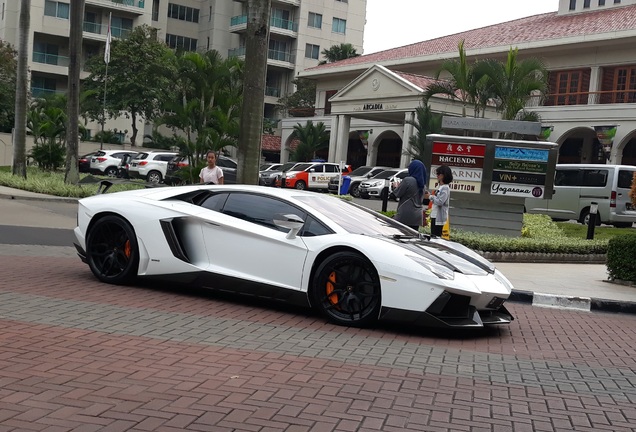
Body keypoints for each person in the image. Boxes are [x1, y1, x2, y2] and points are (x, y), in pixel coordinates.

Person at [393, 159, 427, 231]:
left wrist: (396, 186)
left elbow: (397, 194)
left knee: (399, 237)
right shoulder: (423, 185)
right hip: (417, 217)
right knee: (412, 238)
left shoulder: (408, 180)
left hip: (405, 215)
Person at [425, 165, 453, 237]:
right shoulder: (441, 187)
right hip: (435, 215)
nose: (437, 176)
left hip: (439, 217)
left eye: (438, 174)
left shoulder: (445, 188)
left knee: (435, 237)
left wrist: (430, 196)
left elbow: (440, 201)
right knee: (434, 235)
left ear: (443, 175)